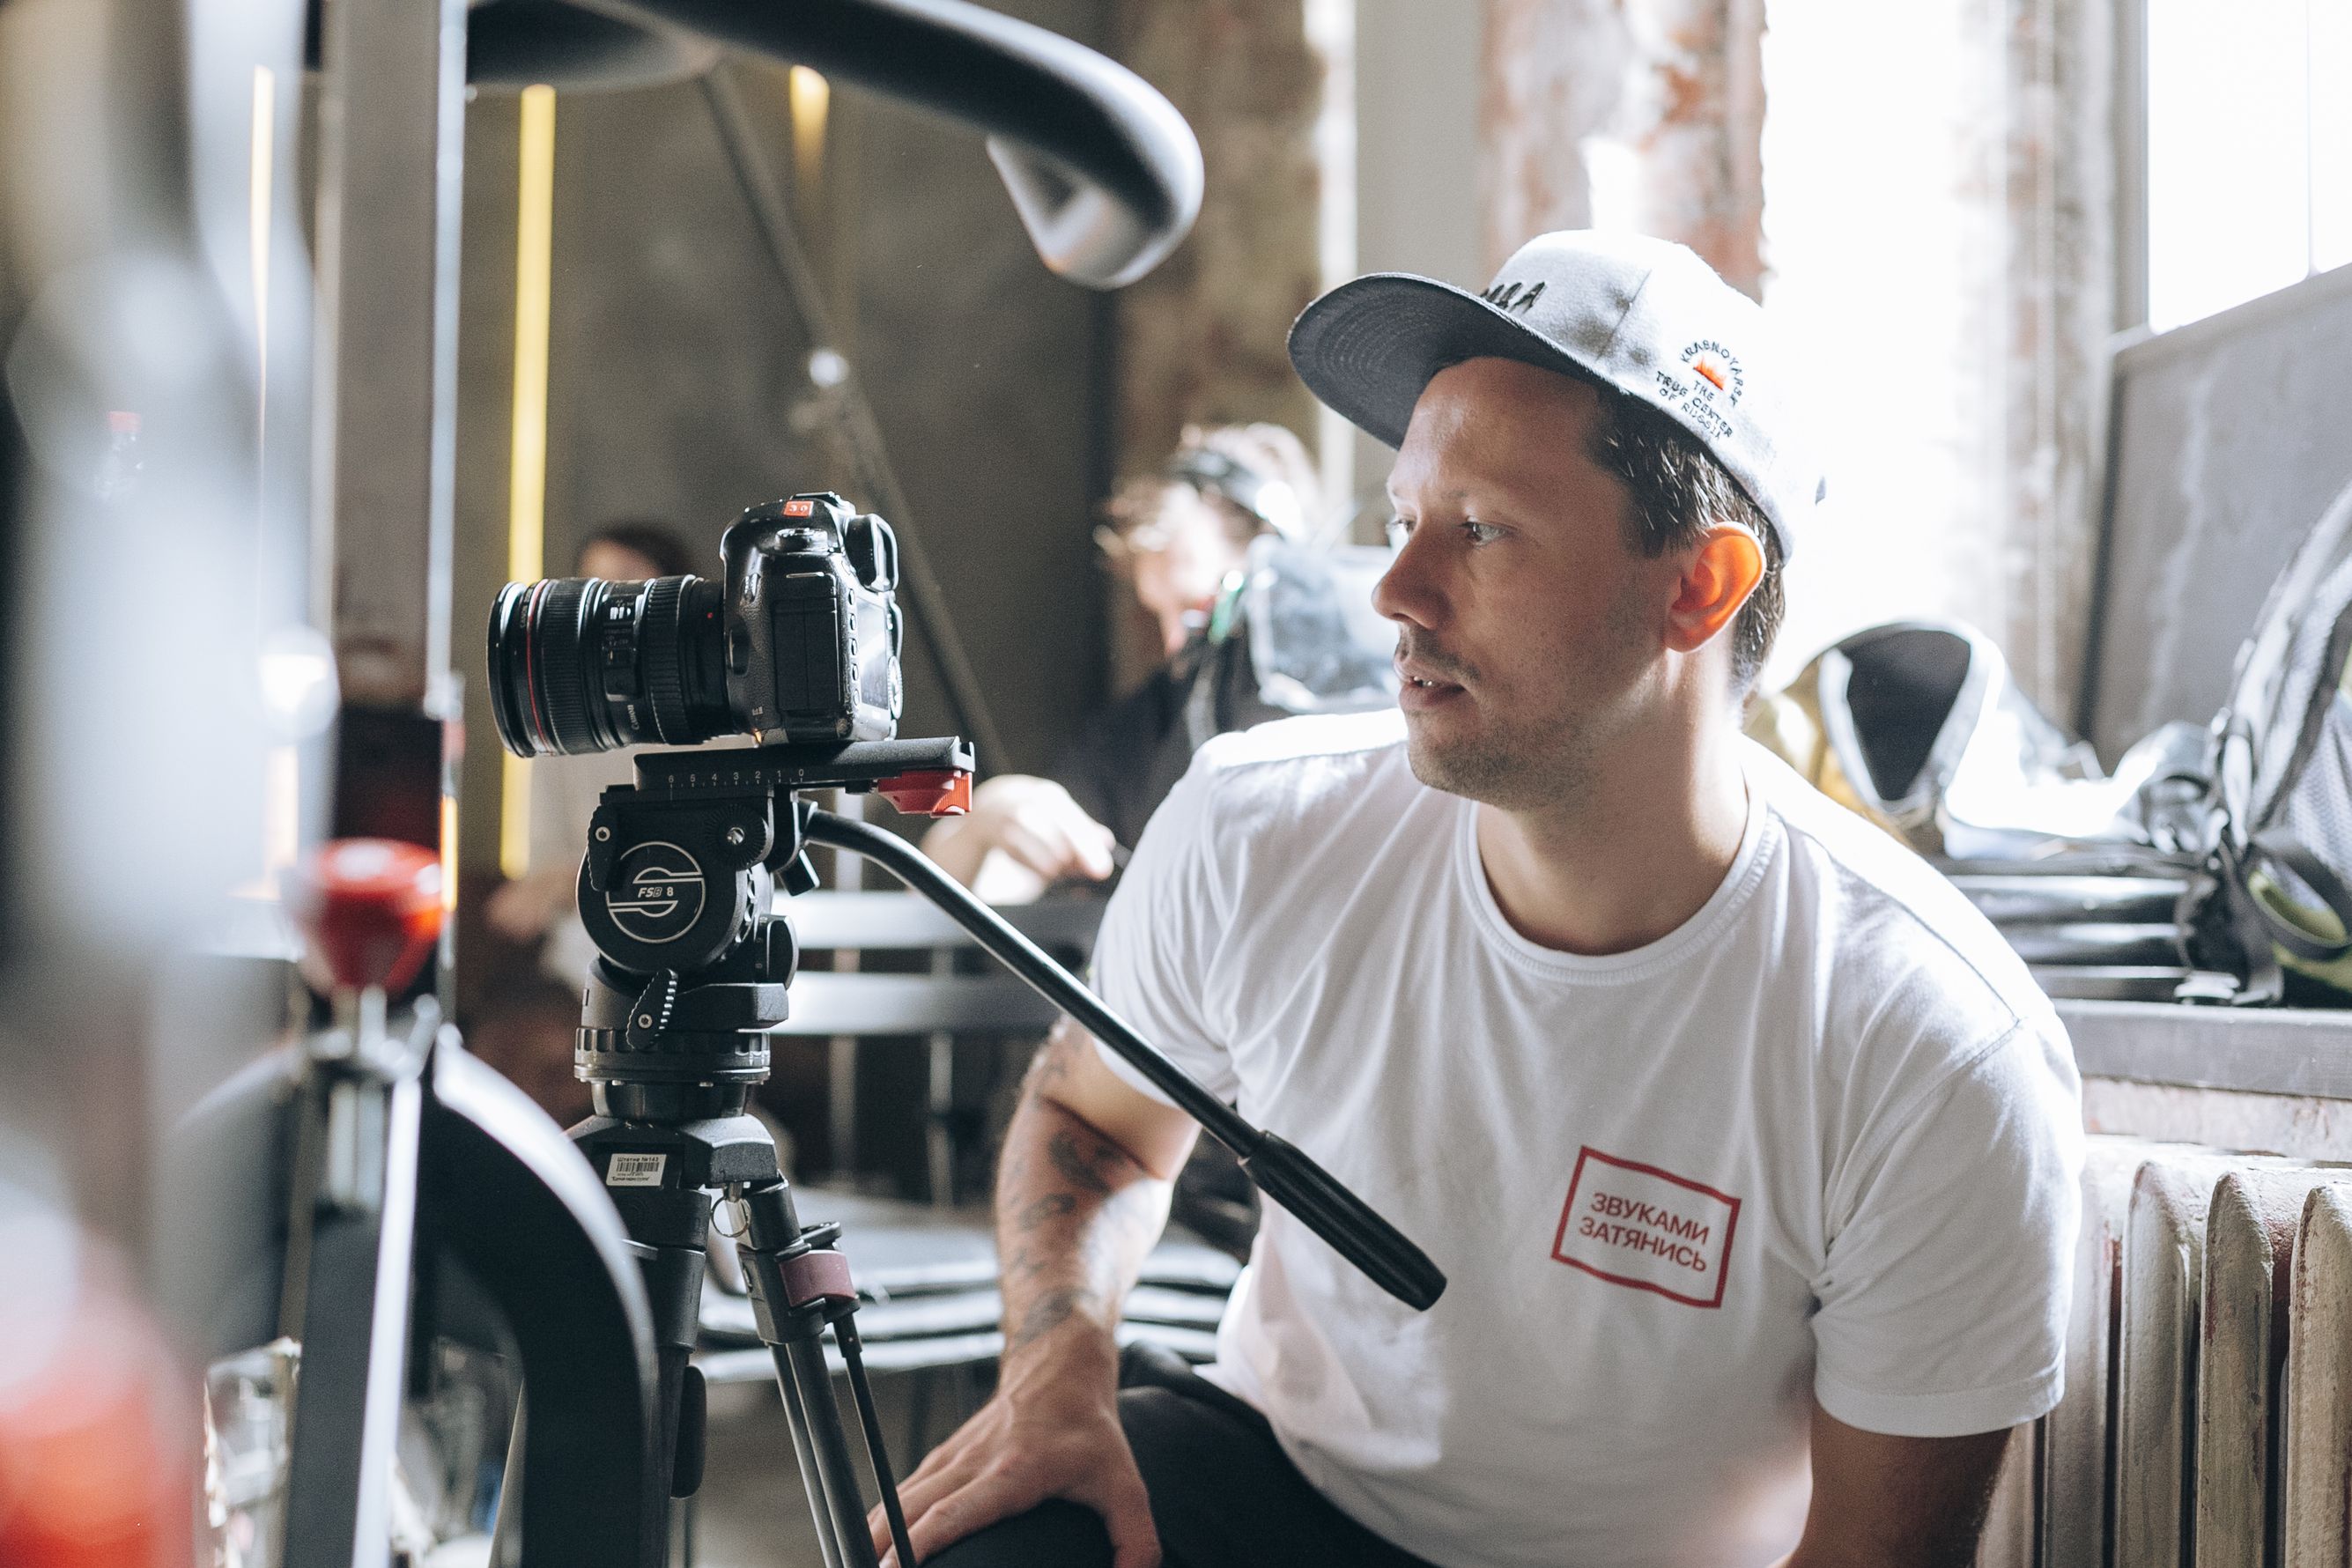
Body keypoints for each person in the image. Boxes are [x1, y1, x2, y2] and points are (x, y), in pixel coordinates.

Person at [871, 232, 2085, 1568]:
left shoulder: (1928, 1042)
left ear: (1697, 586)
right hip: (1287, 1486)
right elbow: (1094, 1125)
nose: (1393, 592)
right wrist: (1056, 1378)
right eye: (1405, 522)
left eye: (1483, 530)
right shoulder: (1257, 826)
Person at [919, 424, 1322, 904]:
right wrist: (986, 819)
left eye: (1198, 611)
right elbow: (980, 887)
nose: (1175, 643)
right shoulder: (1146, 726)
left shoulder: (1371, 712)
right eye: (1160, 614)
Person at [484, 521, 699, 982]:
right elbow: (543, 865)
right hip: (588, 944)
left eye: (625, 581)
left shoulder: (718, 717)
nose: (608, 604)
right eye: (594, 586)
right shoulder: (560, 726)